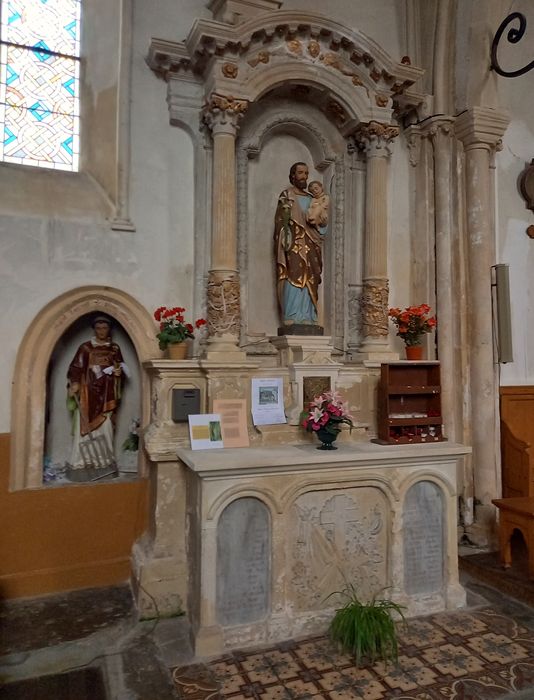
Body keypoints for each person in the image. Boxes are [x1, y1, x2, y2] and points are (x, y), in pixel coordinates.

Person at [66, 316, 130, 470]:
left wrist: (118, 372)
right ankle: (82, 460)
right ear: (94, 330)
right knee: (85, 423)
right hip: (89, 393)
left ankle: (104, 459)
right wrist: (75, 383)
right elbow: (76, 367)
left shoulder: (114, 349)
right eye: (99, 328)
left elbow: (120, 367)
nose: (102, 331)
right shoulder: (86, 348)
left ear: (109, 330)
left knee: (106, 425)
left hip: (107, 394)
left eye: (105, 328)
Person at [273, 163, 329, 327]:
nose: (303, 176)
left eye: (306, 173)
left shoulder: (314, 199)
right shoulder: (287, 196)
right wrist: (286, 234)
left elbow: (322, 228)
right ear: (292, 176)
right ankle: (292, 315)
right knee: (294, 275)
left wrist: (322, 223)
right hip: (294, 245)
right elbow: (279, 223)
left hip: (312, 245)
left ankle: (308, 317)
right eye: (300, 173)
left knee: (311, 277)